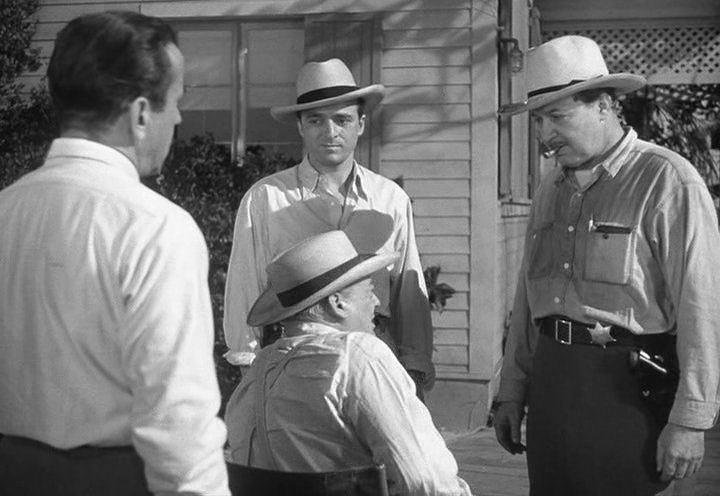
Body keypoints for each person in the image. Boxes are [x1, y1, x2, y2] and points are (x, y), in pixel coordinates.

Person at [0, 11, 229, 495]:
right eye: (176, 102)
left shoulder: (7, 210)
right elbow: (179, 428)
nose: (179, 118)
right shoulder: (156, 230)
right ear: (141, 114)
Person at [493, 35, 720, 495]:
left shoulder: (667, 181)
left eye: (558, 117)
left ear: (603, 106)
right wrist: (512, 391)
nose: (545, 135)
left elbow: (702, 307)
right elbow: (527, 300)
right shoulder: (549, 189)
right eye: (539, 120)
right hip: (552, 387)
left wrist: (690, 419)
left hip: (628, 393)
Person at [223, 58, 434, 397]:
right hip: (296, 364)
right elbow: (245, 287)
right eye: (316, 120)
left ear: (361, 124)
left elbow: (408, 291)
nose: (330, 132)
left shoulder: (389, 199)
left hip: (375, 358)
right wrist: (250, 368)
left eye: (342, 119)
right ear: (300, 127)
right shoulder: (266, 199)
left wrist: (414, 369)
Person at [224, 230, 472, 495]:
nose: (377, 302)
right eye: (369, 291)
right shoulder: (358, 356)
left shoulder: (257, 373)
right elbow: (425, 482)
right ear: (338, 303)